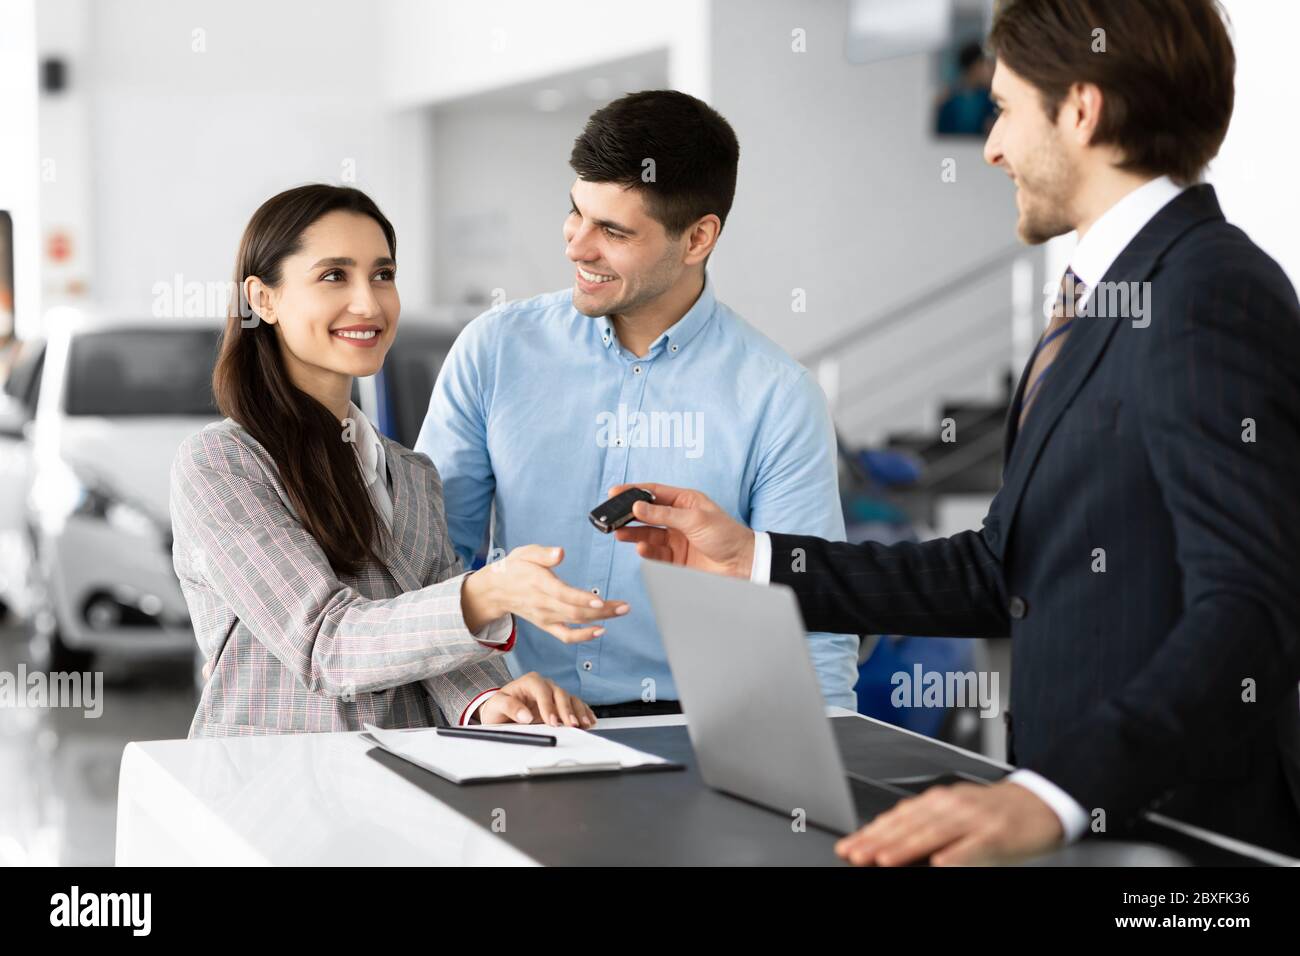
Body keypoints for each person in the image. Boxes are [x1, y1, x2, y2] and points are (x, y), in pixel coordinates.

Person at [612, 0, 1300, 863]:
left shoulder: (1207, 292)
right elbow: (1000, 569)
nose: (992, 147)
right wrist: (751, 557)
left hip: (1186, 842)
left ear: (1081, 110)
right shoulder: (1102, 301)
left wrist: (1056, 794)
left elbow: (1254, 609)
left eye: (1006, 108)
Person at [418, 91, 859, 718]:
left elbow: (809, 610)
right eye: (576, 213)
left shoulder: (777, 396)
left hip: (694, 729)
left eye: (613, 231)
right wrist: (477, 696)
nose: (577, 246)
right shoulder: (494, 351)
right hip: (513, 715)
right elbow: (433, 563)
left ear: (698, 237)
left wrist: (822, 776)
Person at [171, 184, 625, 737]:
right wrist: (487, 593)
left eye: (382, 275)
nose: (368, 303)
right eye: (334, 276)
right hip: (272, 797)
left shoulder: (411, 474)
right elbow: (326, 645)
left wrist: (490, 696)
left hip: (406, 790)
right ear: (262, 299)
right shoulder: (223, 465)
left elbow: (431, 633)